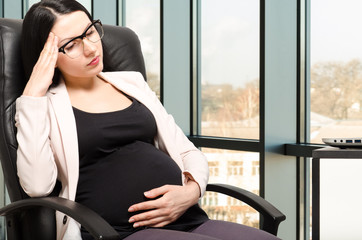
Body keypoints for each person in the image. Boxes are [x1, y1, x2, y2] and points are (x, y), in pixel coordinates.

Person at [15, 0, 281, 240]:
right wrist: (33, 93)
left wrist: (191, 191)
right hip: (117, 231)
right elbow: (37, 186)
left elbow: (187, 150)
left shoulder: (131, 83)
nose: (90, 48)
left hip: (187, 219)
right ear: (46, 57)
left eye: (90, 32)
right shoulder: (43, 105)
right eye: (71, 45)